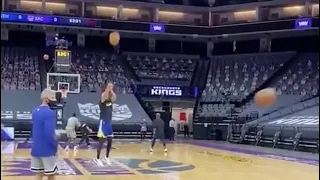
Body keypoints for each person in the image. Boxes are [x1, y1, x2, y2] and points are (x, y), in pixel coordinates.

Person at [30, 89, 59, 180]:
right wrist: (55, 145)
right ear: (46, 99)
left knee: (39, 174)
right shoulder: (49, 113)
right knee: (51, 175)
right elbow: (49, 133)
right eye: (52, 98)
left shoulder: (35, 111)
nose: (54, 100)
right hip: (47, 150)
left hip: (36, 148)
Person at [95, 83, 116, 165]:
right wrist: (107, 89)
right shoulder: (102, 101)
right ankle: (97, 158)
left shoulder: (110, 100)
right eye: (109, 87)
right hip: (102, 122)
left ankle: (106, 157)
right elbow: (104, 96)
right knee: (101, 141)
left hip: (109, 123)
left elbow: (114, 97)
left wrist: (111, 90)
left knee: (110, 141)